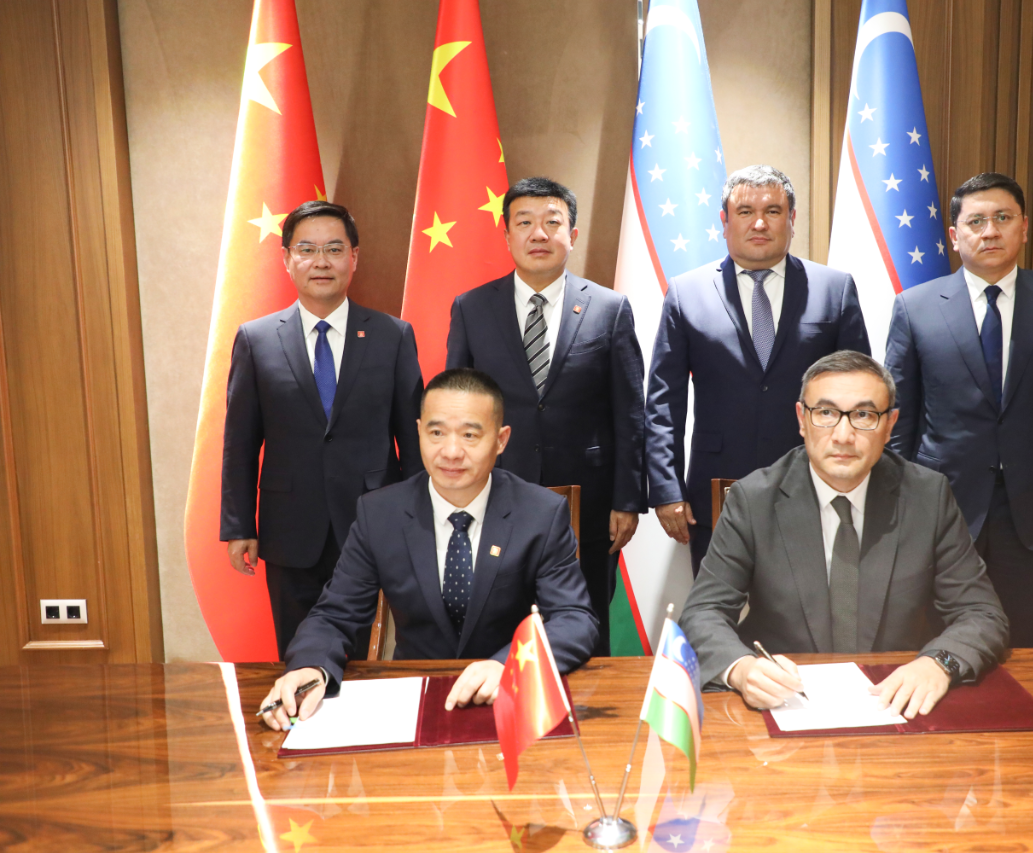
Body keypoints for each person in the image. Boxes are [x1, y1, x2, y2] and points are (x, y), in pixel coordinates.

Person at [258, 368, 599, 730]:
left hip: (510, 700)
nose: (451, 452)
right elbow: (334, 614)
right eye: (436, 433)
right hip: (412, 699)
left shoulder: (541, 513)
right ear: (419, 431)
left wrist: (510, 663)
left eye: (470, 435)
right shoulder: (380, 514)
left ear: (501, 440)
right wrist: (311, 666)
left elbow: (574, 619)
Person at [679, 351, 1008, 719]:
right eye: (826, 413)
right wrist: (742, 669)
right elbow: (703, 612)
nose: (843, 435)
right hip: (786, 703)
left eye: (864, 416)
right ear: (802, 419)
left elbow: (981, 613)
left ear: (890, 424)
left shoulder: (928, 496)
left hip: (893, 700)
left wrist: (937, 663)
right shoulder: (753, 499)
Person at [884, 173, 1033, 648]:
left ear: (1023, 227)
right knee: (938, 647)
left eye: (1003, 218)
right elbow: (898, 424)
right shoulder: (914, 308)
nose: (990, 231)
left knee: (1024, 649)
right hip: (939, 511)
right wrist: (895, 510)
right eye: (976, 221)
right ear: (954, 235)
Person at [446, 177, 646, 655]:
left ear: (571, 234)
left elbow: (630, 413)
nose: (538, 234)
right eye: (525, 223)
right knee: (498, 622)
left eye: (552, 222)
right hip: (496, 494)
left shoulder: (609, 308)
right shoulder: (472, 308)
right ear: (507, 235)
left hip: (590, 501)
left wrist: (627, 500)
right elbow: (455, 407)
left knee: (585, 623)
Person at [221, 201, 424, 660]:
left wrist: (419, 520)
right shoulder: (256, 339)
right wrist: (239, 525)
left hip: (374, 521)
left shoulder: (392, 336)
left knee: (366, 657)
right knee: (298, 655)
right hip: (290, 526)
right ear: (287, 258)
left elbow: (414, 441)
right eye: (307, 249)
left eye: (334, 249)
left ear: (354, 257)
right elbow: (240, 444)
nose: (321, 262)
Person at [646, 164, 872, 575]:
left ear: (792, 218)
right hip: (715, 488)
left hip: (816, 482)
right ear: (725, 221)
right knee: (721, 604)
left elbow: (861, 395)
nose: (760, 223)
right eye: (746, 211)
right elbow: (663, 402)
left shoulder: (834, 289)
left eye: (773, 211)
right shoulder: (686, 293)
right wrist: (666, 488)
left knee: (810, 605)